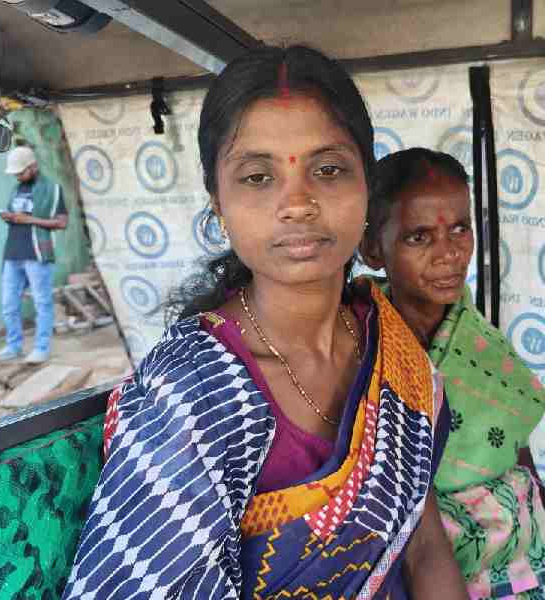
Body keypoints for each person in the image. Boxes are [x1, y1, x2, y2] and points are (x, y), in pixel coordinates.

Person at [63, 46, 468, 600]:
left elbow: (423, 546)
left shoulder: (388, 343)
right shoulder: (193, 389)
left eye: (328, 169)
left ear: (366, 190)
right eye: (257, 177)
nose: (297, 203)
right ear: (218, 204)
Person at [361, 147, 545, 600]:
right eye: (419, 237)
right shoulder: (360, 350)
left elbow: (525, 469)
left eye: (459, 229)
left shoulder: (482, 346)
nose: (449, 254)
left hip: (525, 569)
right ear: (373, 249)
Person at [0, 145, 67, 365]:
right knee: (8, 304)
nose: (18, 176)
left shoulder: (52, 189)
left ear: (33, 166)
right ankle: (13, 347)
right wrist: (9, 217)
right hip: (12, 254)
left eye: (21, 172)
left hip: (37, 255)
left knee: (42, 303)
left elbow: (62, 222)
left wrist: (28, 219)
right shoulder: (16, 189)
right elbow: (17, 216)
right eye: (15, 173)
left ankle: (41, 348)